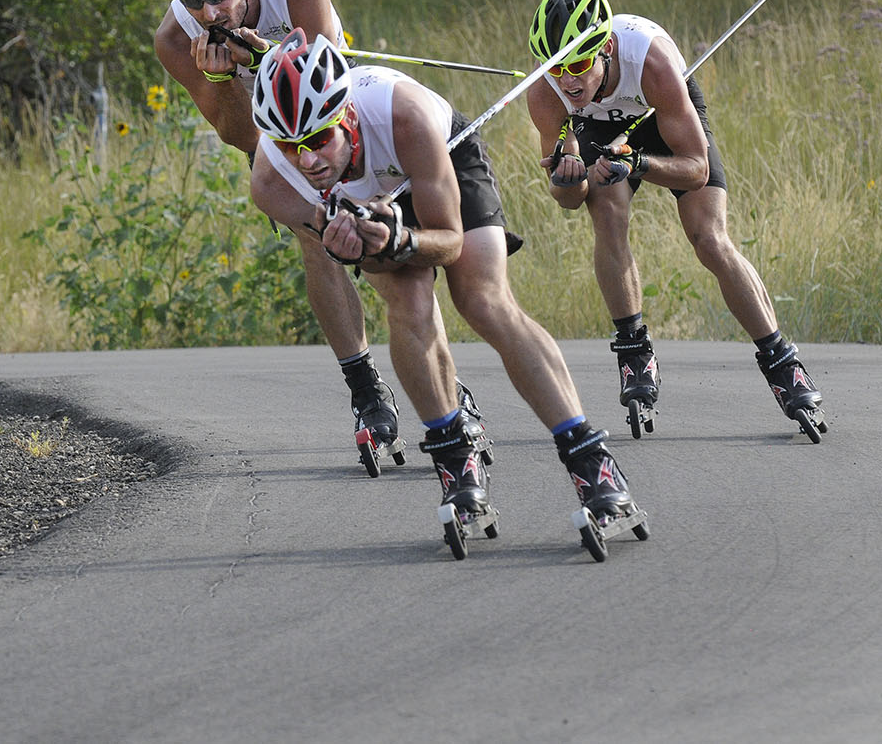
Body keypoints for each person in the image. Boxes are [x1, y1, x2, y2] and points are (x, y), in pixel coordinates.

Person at [248, 27, 640, 541]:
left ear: (346, 118)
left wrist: (400, 239)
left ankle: (593, 463)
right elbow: (358, 250)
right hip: (369, 206)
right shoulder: (274, 183)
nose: (309, 161)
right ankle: (457, 464)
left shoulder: (402, 115)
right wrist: (362, 245)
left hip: (441, 159)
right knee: (407, 306)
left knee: (482, 300)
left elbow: (450, 241)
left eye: (319, 139)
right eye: (290, 145)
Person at [152, 0, 483, 476]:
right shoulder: (176, 40)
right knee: (321, 239)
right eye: (191, 1)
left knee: (382, 250)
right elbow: (238, 135)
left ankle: (443, 383)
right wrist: (220, 77)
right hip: (272, 138)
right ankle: (365, 387)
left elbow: (337, 97)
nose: (208, 11)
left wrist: (260, 53)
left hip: (336, 119)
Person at [524, 0, 823, 434]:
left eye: (578, 63)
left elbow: (696, 169)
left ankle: (782, 361)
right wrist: (572, 175)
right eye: (555, 65)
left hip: (661, 118)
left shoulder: (653, 63)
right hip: (601, 129)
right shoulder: (546, 94)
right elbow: (567, 201)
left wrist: (637, 162)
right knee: (606, 212)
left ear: (604, 49)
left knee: (709, 239)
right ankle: (634, 351)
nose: (567, 79)